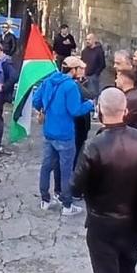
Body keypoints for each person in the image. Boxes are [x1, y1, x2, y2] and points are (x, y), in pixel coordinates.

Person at [72, 87, 137, 273]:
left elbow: (75, 187)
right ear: (125, 110)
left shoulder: (93, 145)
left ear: (100, 110)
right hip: (133, 222)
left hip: (102, 224)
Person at [32, 62, 95, 215]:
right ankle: (67, 205)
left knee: (46, 166)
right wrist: (89, 104)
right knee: (66, 169)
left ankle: (45, 200)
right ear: (73, 70)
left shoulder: (48, 81)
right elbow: (75, 110)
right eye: (79, 68)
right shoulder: (70, 86)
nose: (81, 71)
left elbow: (36, 100)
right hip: (65, 134)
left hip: (49, 132)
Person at [80, 33, 106, 98]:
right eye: (86, 39)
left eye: (89, 39)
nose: (87, 41)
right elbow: (82, 62)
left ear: (94, 40)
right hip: (85, 76)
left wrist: (96, 74)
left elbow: (102, 64)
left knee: (94, 94)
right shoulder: (84, 51)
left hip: (94, 77)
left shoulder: (99, 51)